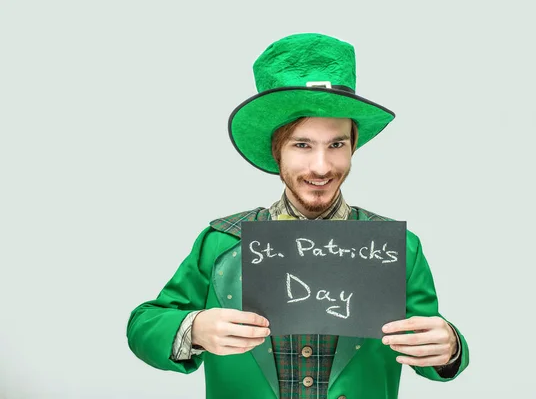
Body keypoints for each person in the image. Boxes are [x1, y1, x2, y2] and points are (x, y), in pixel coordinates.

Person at [127, 32, 469, 399]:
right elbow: (144, 325)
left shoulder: (399, 248)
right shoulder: (222, 243)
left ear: (353, 146)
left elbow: (431, 348)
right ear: (277, 151)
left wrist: (449, 347)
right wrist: (194, 328)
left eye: (336, 144)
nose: (321, 167)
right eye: (302, 145)